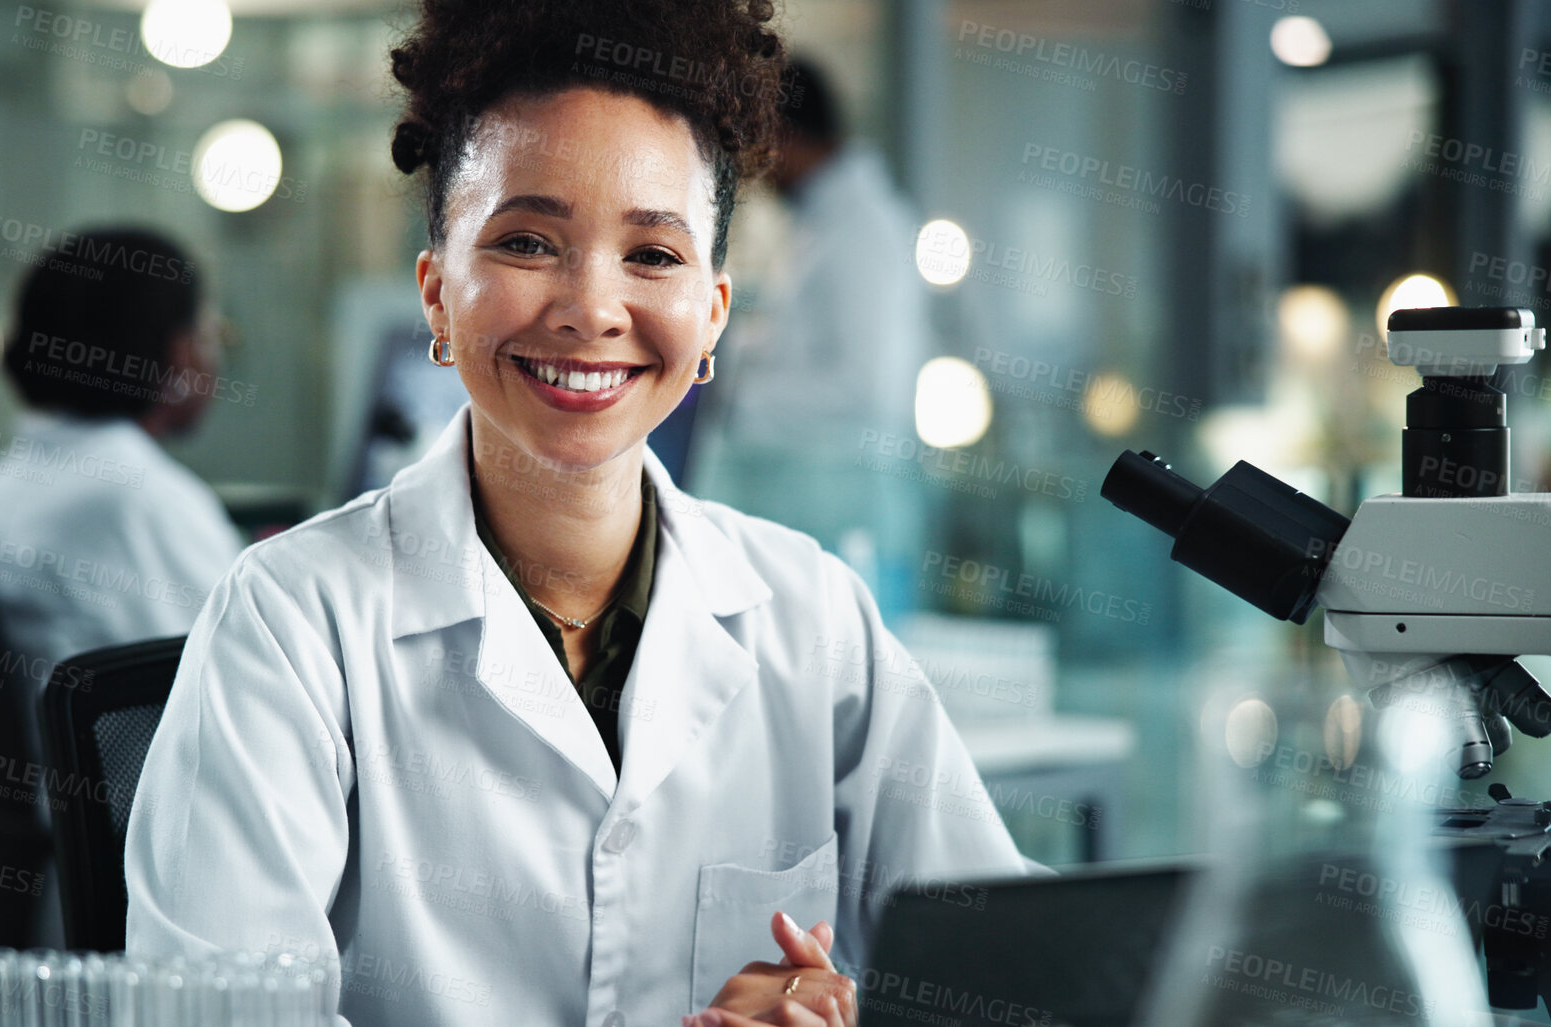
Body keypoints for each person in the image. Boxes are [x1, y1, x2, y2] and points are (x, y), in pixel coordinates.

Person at [125, 4, 1028, 1025]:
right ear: (435, 295)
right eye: (526, 241)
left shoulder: (815, 618)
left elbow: (1006, 970)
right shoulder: (292, 624)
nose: (592, 308)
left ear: (715, 314)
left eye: (653, 256)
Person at [0, 226, 245, 681]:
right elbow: (247, 676)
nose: (213, 362)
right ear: (178, 354)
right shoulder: (138, 500)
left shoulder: (3, 483)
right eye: (209, 336)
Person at [698, 57, 929, 618]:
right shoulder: (825, 222)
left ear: (786, 134)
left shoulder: (862, 229)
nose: (755, 163)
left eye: (759, 141)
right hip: (812, 502)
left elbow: (865, 386)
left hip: (839, 508)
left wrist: (737, 400)